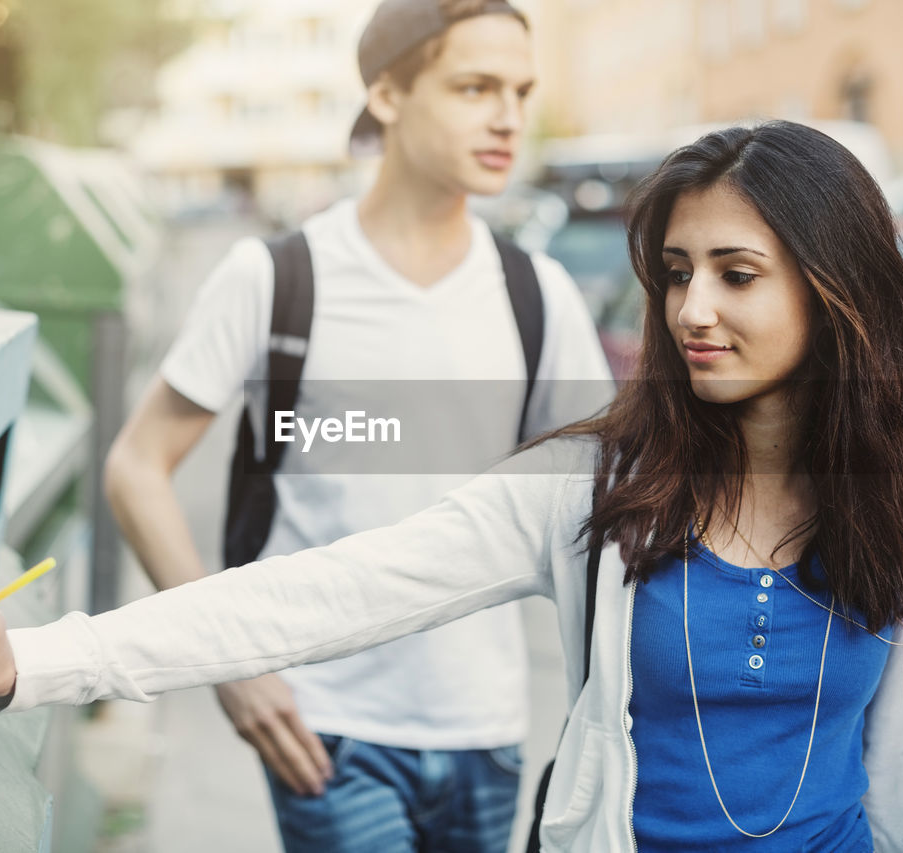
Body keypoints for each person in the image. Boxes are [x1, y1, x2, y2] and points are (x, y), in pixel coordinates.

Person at [0, 121, 903, 853]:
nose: (689, 310)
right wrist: (39, 658)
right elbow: (323, 592)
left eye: (735, 276)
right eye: (675, 274)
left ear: (836, 292)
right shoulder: (594, 485)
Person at [97, 0, 612, 851]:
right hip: (325, 726)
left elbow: (603, 505)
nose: (508, 116)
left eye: (520, 89)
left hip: (488, 727)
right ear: (388, 94)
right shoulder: (275, 278)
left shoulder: (537, 294)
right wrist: (231, 667)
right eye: (475, 86)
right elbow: (137, 466)